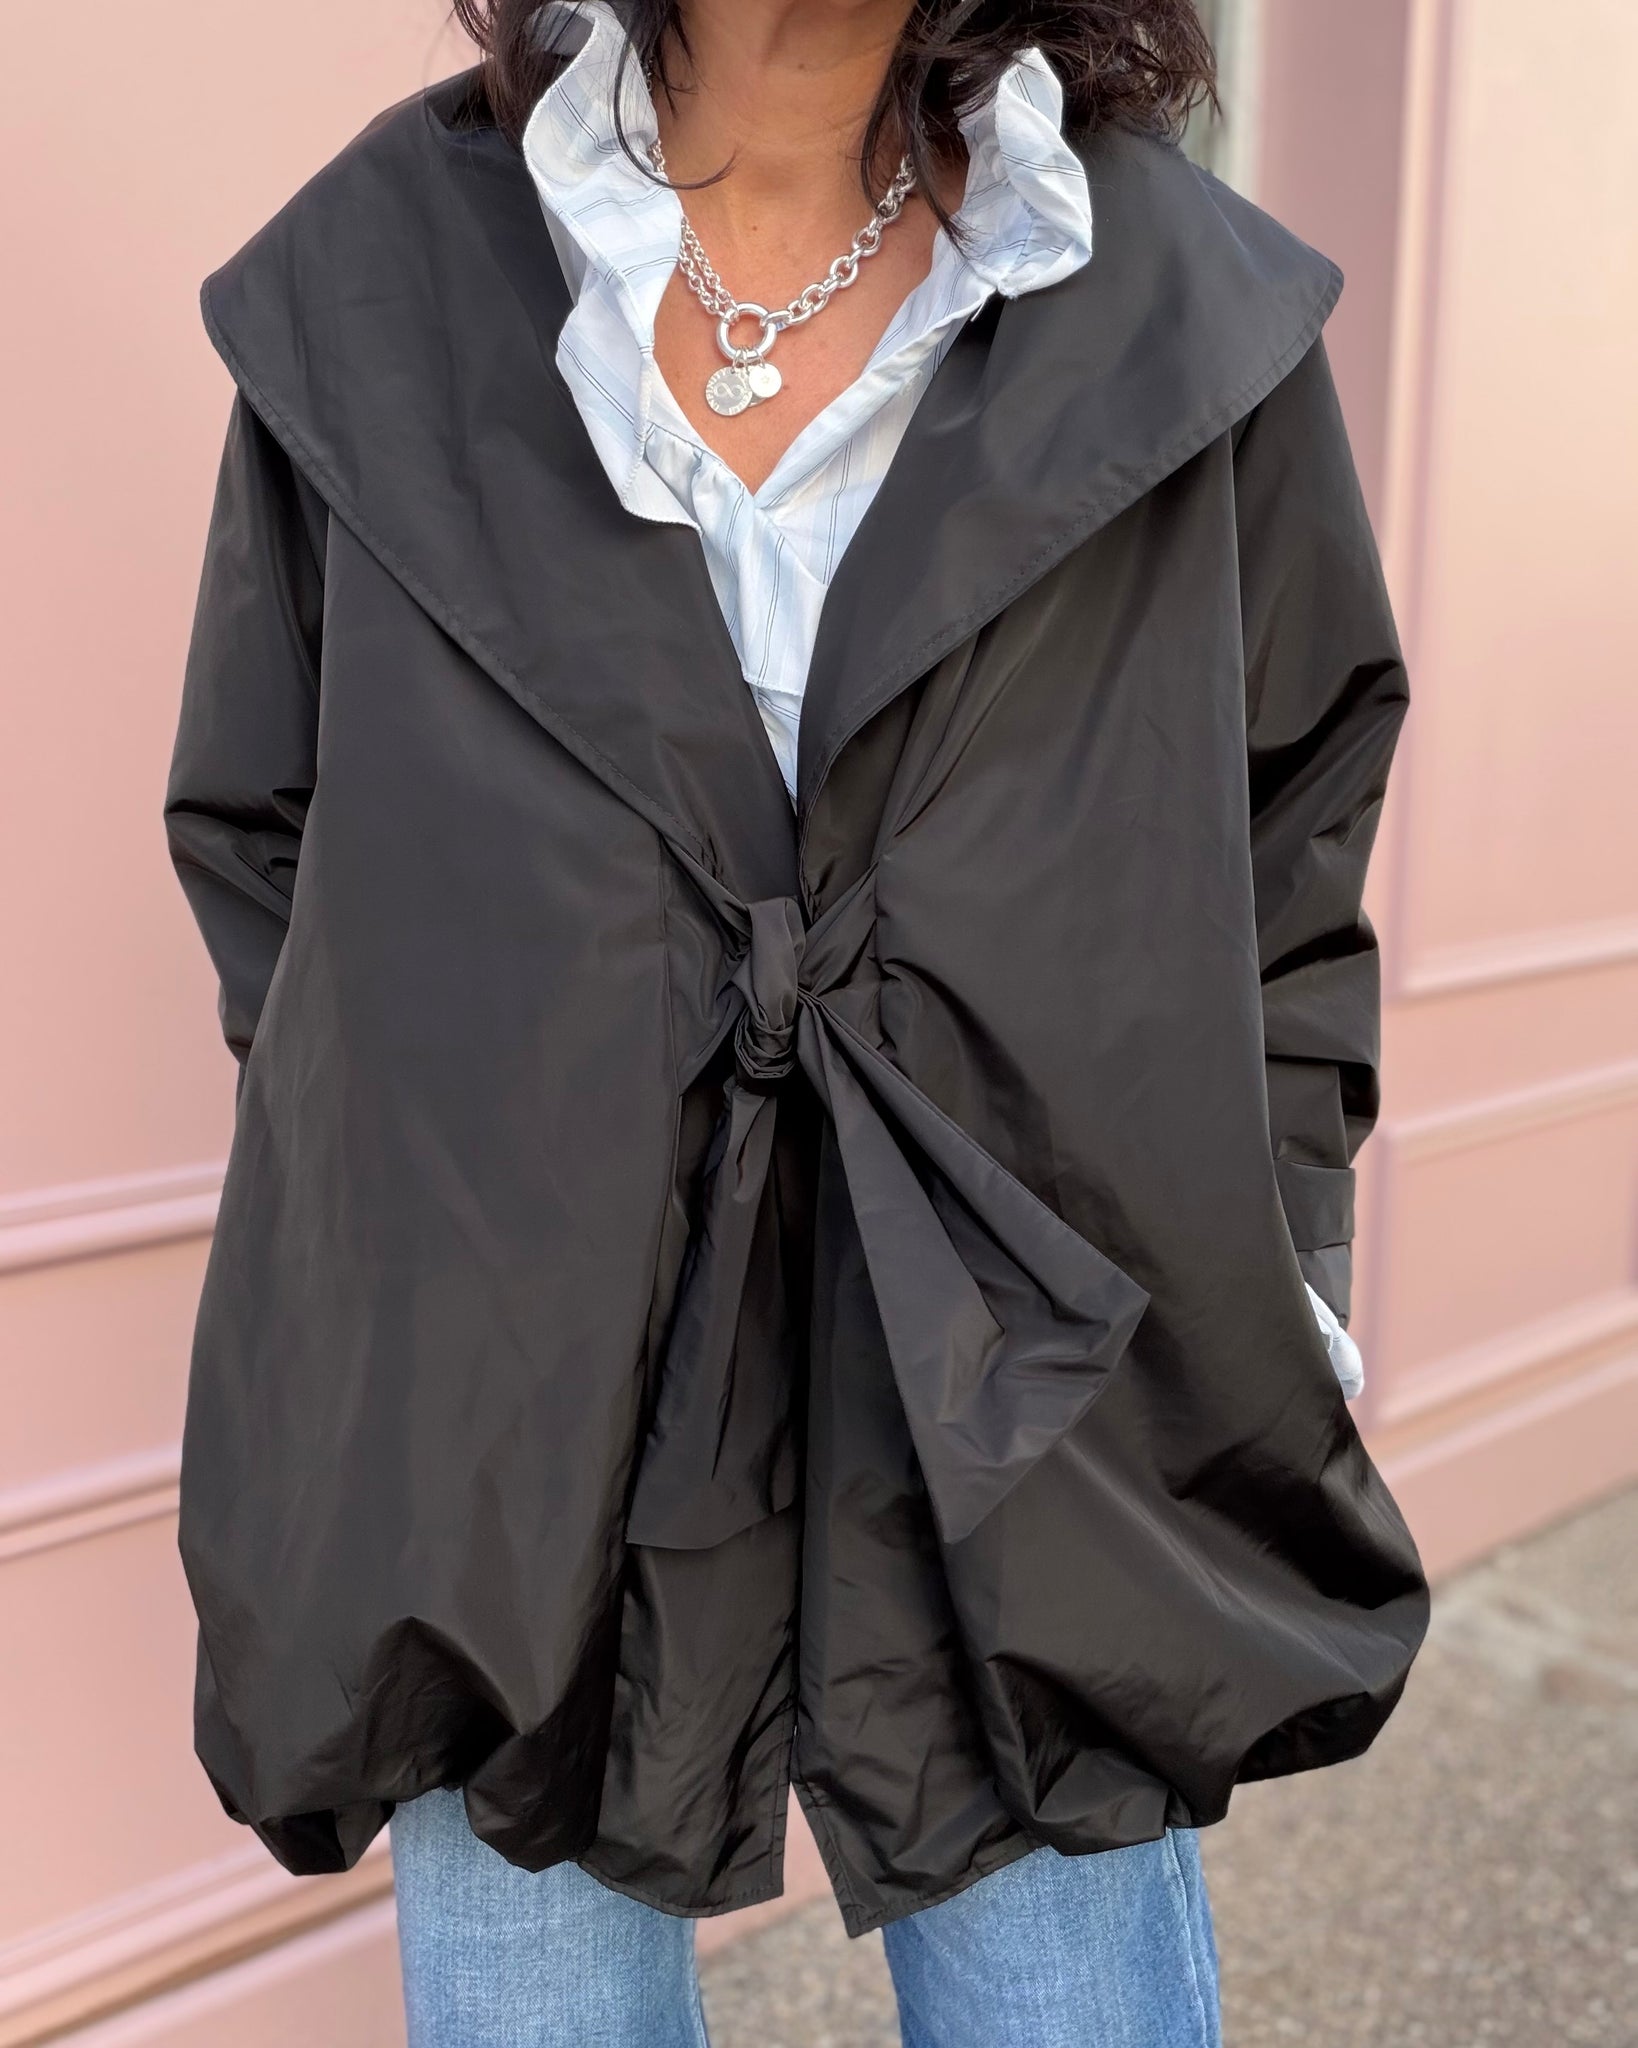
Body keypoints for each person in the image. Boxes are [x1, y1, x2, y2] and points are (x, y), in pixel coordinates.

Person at [165, 0, 1430, 2041]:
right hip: (514, 1385)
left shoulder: (1169, 301)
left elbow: (1291, 829)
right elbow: (272, 825)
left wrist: (1274, 1248)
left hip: (1035, 1344)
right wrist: (419, 1221)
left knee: (1064, 1993)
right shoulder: (390, 279)